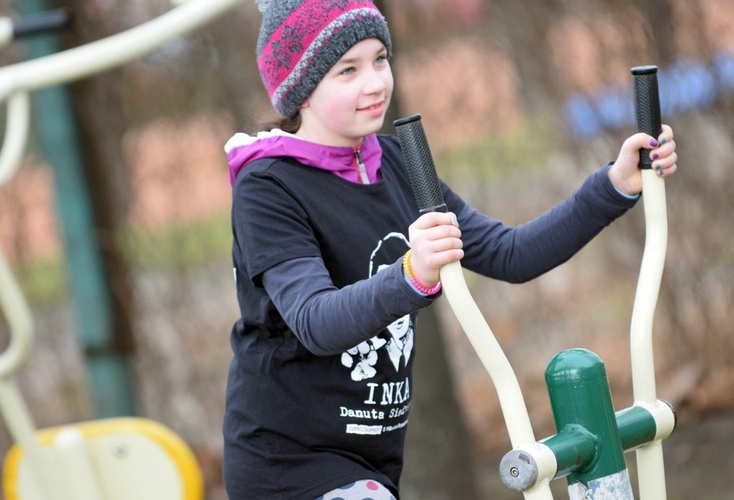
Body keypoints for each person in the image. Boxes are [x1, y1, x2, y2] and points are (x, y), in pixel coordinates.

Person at [221, 1, 679, 498]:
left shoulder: (396, 163)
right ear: (301, 89)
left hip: (371, 461)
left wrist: (613, 185)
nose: (374, 82)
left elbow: (511, 253)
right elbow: (314, 321)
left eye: (380, 59)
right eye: (347, 70)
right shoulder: (268, 187)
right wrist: (411, 274)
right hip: (285, 463)